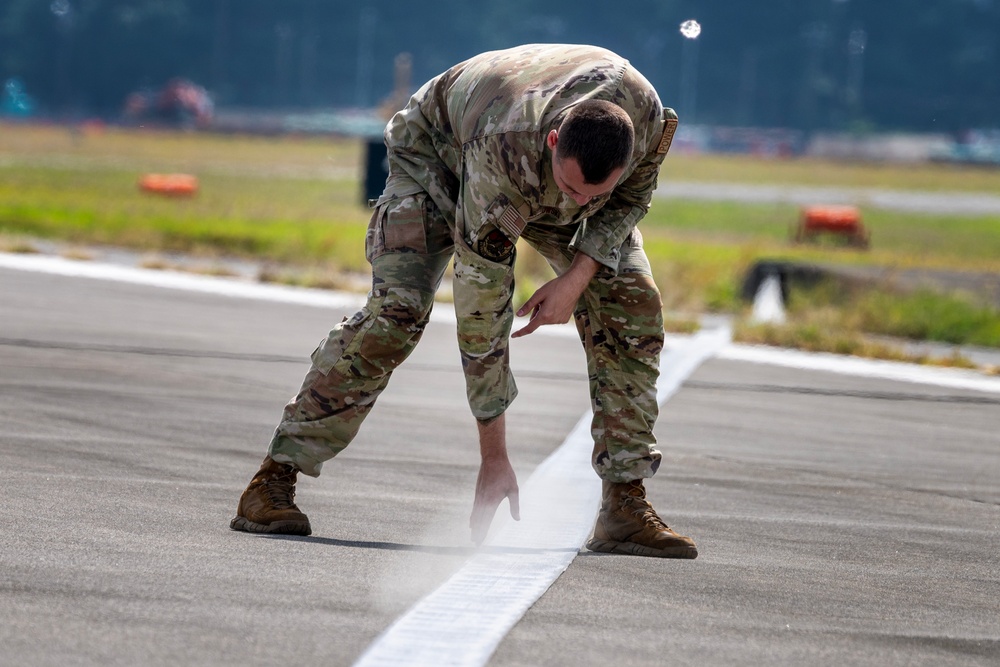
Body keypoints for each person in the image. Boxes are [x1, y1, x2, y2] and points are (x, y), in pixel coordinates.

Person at [230, 43, 697, 559]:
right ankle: (272, 480)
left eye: (591, 195)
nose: (575, 205)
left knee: (632, 309)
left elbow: (629, 199)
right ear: (554, 139)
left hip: (524, 162)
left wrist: (577, 276)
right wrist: (493, 458)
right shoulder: (507, 149)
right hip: (441, 157)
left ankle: (624, 507)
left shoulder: (647, 120)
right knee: (397, 314)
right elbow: (482, 306)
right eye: (569, 187)